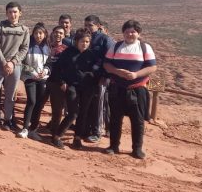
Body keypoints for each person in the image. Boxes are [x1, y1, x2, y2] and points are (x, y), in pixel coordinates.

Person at [103, 20, 157, 159]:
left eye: (133, 31)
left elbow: (152, 67)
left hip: (137, 89)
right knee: (115, 118)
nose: (130, 34)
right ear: (123, 33)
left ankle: (137, 149)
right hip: (117, 89)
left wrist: (136, 75)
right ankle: (113, 146)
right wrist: (116, 72)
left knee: (137, 120)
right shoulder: (116, 47)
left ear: (139, 33)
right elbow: (106, 64)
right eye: (127, 31)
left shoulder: (145, 48)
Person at [49, 28, 101, 149]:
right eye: (82, 41)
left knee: (83, 113)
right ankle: (56, 136)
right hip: (71, 86)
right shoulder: (68, 53)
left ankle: (77, 139)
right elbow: (57, 68)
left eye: (87, 42)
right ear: (76, 41)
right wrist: (61, 81)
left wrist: (95, 78)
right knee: (73, 113)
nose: (85, 44)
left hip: (87, 88)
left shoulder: (91, 55)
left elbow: (97, 70)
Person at [0, 2, 30, 130]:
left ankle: (7, 120)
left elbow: (24, 49)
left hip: (15, 66)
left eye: (15, 12)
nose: (12, 14)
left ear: (20, 13)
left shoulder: (24, 30)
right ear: (6, 13)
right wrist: (4, 62)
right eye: (10, 12)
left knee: (10, 95)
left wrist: (12, 62)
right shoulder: (0, 27)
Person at [84, 14, 115, 142]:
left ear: (98, 25)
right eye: (86, 25)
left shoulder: (105, 39)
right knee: (90, 104)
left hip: (101, 78)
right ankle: (90, 128)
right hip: (88, 77)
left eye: (90, 25)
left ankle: (98, 133)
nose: (88, 28)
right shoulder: (86, 38)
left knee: (99, 105)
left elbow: (110, 59)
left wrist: (106, 76)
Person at [18, 23, 51, 140]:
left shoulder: (47, 48)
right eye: (36, 33)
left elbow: (49, 63)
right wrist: (32, 72)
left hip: (42, 79)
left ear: (45, 34)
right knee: (32, 101)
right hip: (29, 78)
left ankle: (33, 129)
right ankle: (25, 128)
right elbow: (21, 62)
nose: (38, 36)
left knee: (39, 103)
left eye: (41, 33)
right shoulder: (28, 46)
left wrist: (46, 71)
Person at [46, 26, 69, 132]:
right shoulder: (46, 47)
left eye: (60, 33)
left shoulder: (66, 50)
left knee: (57, 108)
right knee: (38, 104)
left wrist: (63, 81)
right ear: (52, 33)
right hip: (43, 80)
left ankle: (54, 131)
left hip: (57, 82)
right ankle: (33, 126)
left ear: (64, 35)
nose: (58, 35)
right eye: (56, 32)